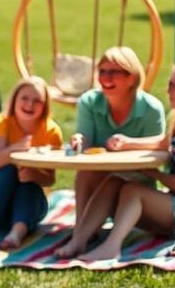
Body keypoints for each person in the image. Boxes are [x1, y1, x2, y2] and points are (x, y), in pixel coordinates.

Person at [62, 62, 175, 262]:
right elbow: (160, 143)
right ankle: (79, 240)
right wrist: (126, 142)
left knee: (133, 190)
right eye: (170, 84)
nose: (169, 91)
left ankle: (112, 246)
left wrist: (154, 174)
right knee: (114, 182)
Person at [70, 47, 165, 221]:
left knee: (113, 180)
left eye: (113, 72)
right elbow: (85, 142)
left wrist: (128, 144)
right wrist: (79, 141)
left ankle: (90, 229)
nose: (105, 78)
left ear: (131, 77)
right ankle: (81, 225)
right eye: (102, 71)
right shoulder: (89, 102)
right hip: (98, 176)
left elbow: (159, 151)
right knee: (85, 172)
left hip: (135, 181)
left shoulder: (151, 108)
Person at [0, 76, 63, 250]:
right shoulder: (2, 122)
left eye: (37, 101)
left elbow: (50, 179)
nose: (30, 104)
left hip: (29, 206)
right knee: (9, 169)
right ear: (14, 100)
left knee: (28, 182)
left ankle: (17, 233)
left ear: (45, 105)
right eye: (24, 98)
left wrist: (35, 175)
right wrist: (16, 148)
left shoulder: (52, 131)